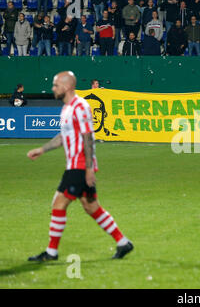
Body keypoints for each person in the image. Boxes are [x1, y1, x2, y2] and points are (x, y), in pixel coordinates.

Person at [27, 71, 134, 262]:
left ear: (67, 86)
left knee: (59, 204)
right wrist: (42, 149)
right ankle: (123, 242)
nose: (53, 89)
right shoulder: (67, 108)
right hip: (76, 164)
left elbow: (88, 137)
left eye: (56, 85)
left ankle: (51, 252)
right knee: (91, 207)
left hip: (80, 164)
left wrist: (89, 168)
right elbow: (63, 137)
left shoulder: (81, 106)